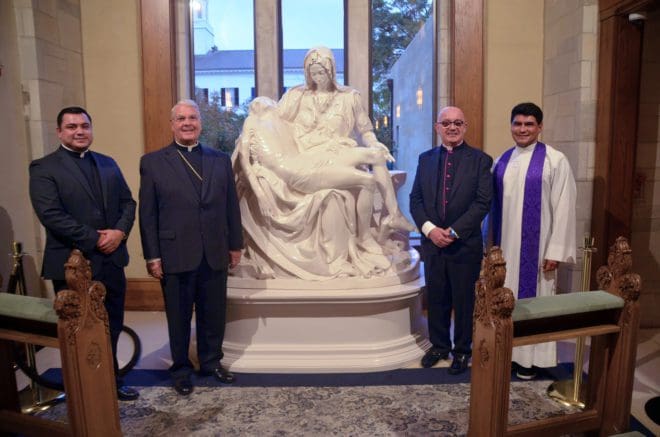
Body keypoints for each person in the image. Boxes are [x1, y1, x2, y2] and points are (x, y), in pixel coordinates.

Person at [232, 47, 414, 280]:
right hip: (310, 160)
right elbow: (274, 123)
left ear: (332, 71)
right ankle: (364, 238)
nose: (317, 78)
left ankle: (393, 216)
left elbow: (366, 131)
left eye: (322, 73)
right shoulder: (295, 97)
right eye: (313, 73)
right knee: (365, 181)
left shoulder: (350, 97)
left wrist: (375, 143)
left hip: (338, 152)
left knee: (377, 155)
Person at [29, 106, 139, 400]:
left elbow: (128, 203)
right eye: (72, 126)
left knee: (111, 324)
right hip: (73, 264)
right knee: (78, 331)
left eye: (84, 126)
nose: (79, 131)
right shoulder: (43, 168)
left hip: (112, 260)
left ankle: (111, 381)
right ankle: (82, 389)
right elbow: (51, 215)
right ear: (59, 132)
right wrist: (96, 239)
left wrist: (119, 233)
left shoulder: (107, 163)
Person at [139, 99, 243, 396]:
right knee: (179, 317)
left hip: (214, 250)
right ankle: (181, 369)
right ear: (172, 124)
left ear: (200, 123)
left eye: (193, 118)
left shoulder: (219, 159)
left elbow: (231, 206)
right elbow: (148, 214)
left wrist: (235, 244)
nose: (187, 123)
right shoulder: (153, 162)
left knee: (214, 314)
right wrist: (152, 255)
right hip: (175, 252)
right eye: (181, 119)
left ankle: (211, 363)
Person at [491, 102, 576, 379]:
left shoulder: (555, 160)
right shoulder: (501, 161)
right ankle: (508, 354)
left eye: (529, 124)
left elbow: (565, 206)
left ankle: (530, 361)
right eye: (517, 123)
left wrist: (556, 250)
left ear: (540, 127)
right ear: (511, 126)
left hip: (538, 251)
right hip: (505, 250)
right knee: (506, 300)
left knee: (535, 301)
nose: (523, 129)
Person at [409, 106, 493, 375]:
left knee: (464, 300)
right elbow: (415, 200)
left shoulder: (480, 160)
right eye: (446, 123)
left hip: (464, 244)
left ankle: (462, 350)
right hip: (433, 243)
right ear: (437, 128)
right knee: (437, 297)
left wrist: (454, 232)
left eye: (457, 123)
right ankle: (439, 346)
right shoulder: (425, 159)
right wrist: (430, 230)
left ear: (465, 127)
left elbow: (482, 203)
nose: (452, 127)